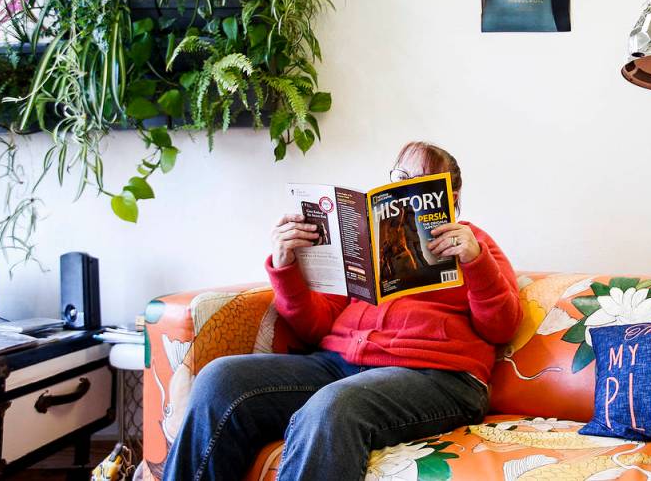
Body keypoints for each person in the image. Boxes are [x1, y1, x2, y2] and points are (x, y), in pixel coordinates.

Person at [162, 142, 522, 481]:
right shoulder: (366, 242)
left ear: (450, 197)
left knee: (332, 406)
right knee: (221, 378)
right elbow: (316, 325)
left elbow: (502, 327)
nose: (407, 189)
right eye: (401, 178)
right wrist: (286, 266)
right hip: (340, 367)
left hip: (437, 377)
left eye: (422, 183)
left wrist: (476, 261)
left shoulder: (475, 244)